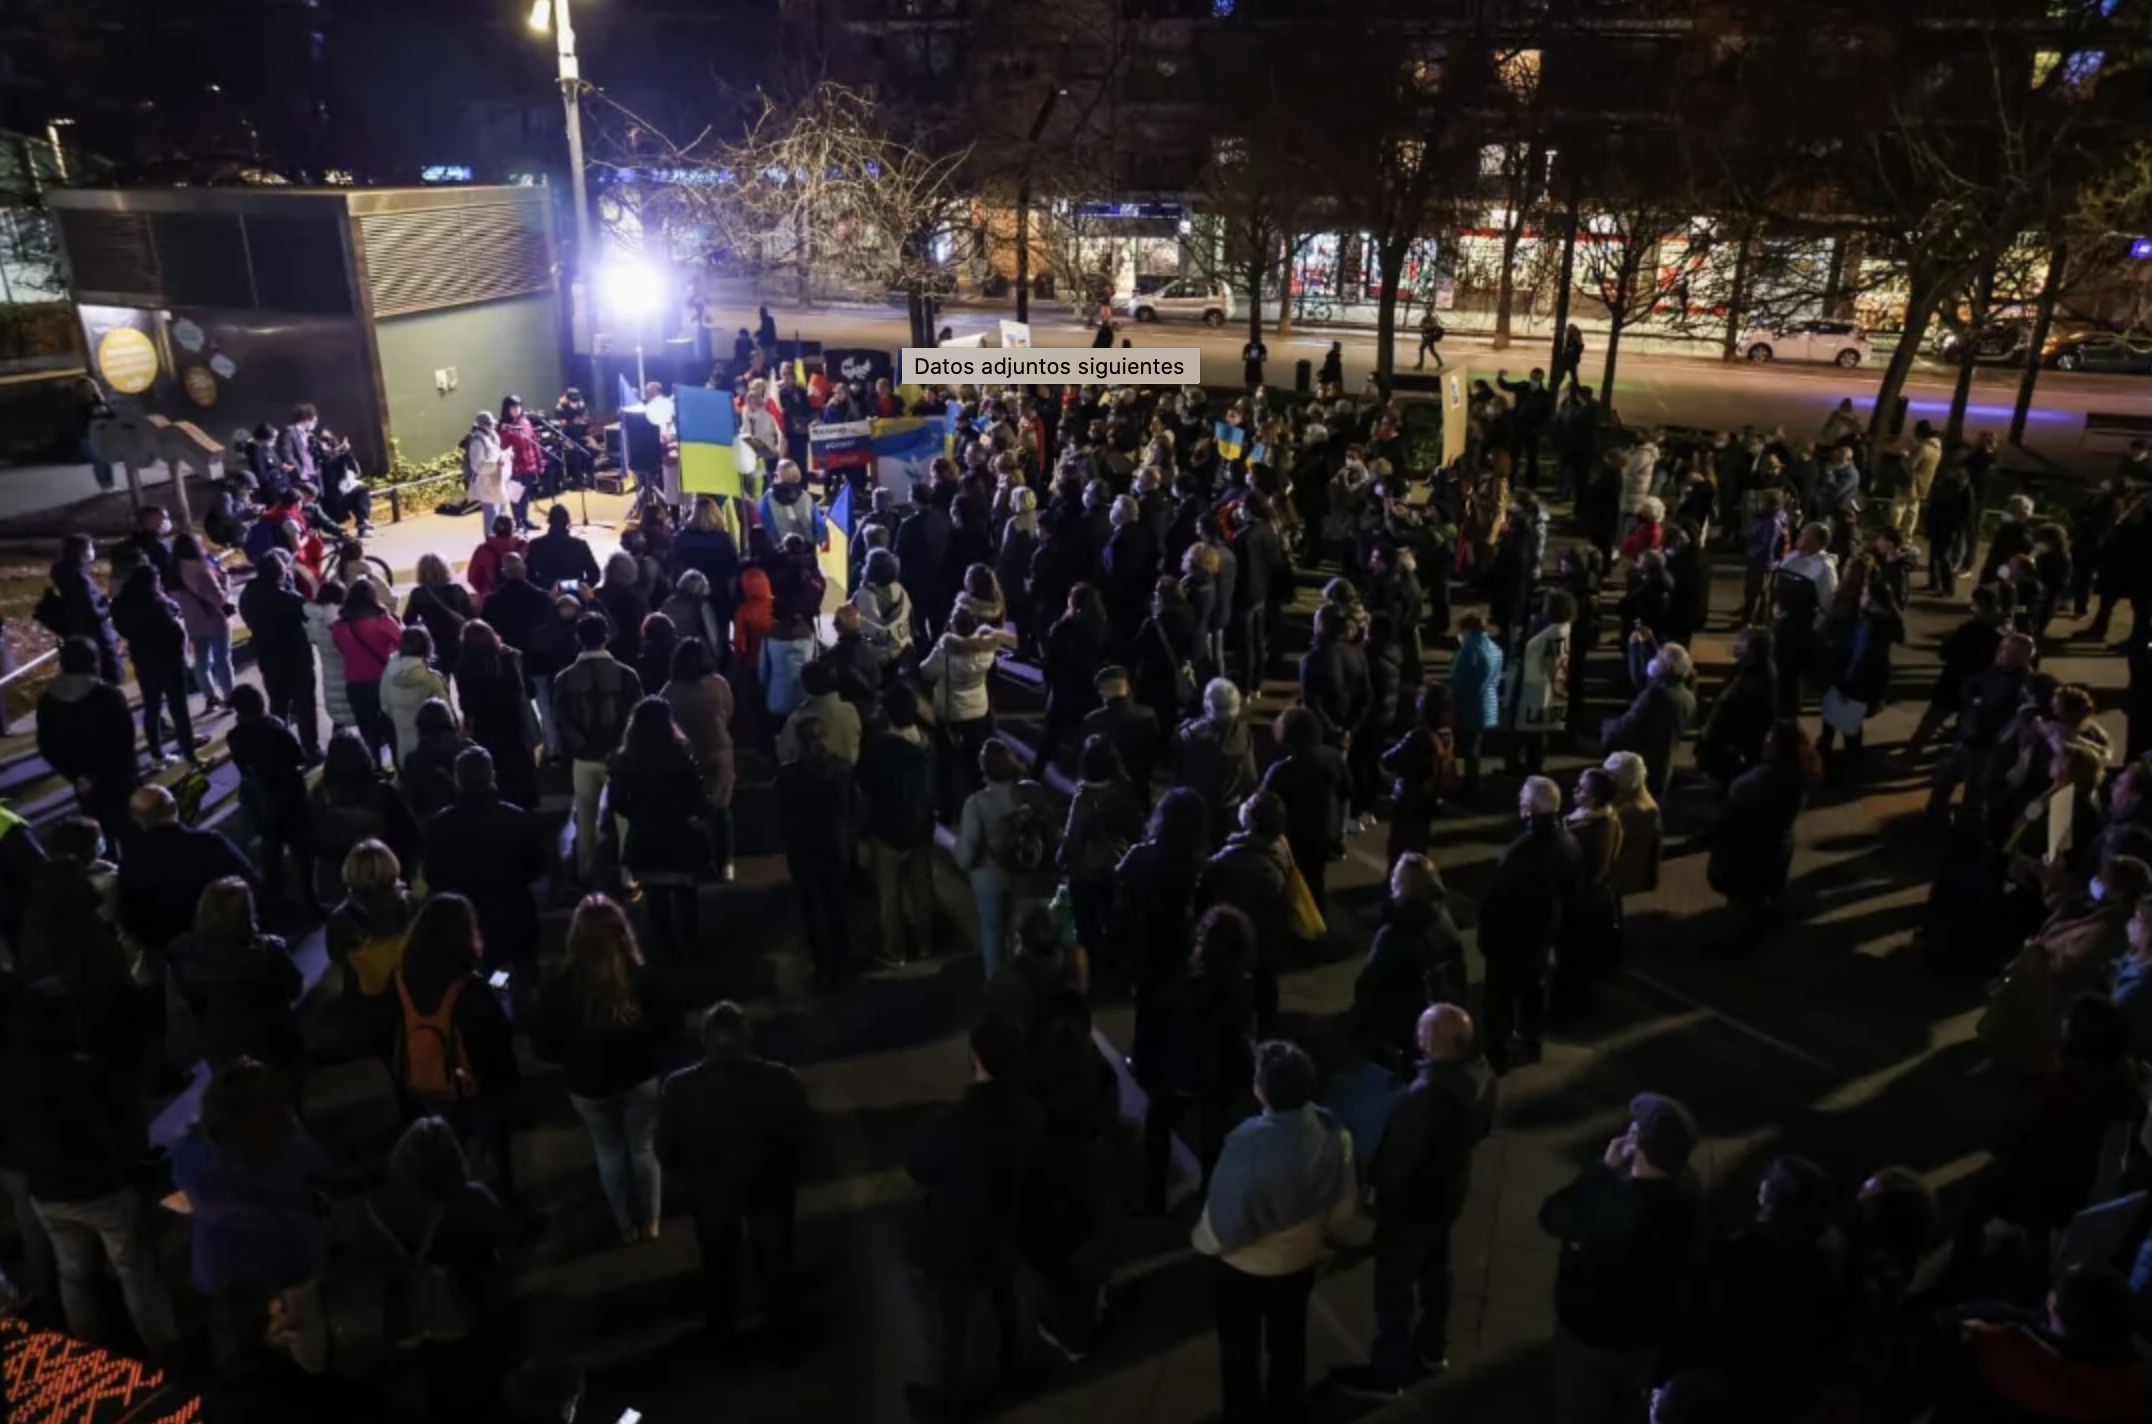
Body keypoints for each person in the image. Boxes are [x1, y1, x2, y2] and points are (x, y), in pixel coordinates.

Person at [5, 979, 180, 1355]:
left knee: (74, 1273)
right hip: (103, 1189)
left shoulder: (10, 1077)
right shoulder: (84, 1074)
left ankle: (89, 1344)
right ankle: (162, 1345)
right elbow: (117, 1129)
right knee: (133, 1269)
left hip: (46, 1191)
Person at [1334, 1006, 1496, 1399]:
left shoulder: (1425, 1097)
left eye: (1423, 1032)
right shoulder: (1481, 1076)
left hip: (1410, 1206)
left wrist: (1374, 1192)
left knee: (1394, 1288)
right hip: (1447, 1194)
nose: (1417, 1037)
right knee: (1436, 1271)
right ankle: (1431, 1348)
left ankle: (1389, 1372)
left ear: (1432, 1042)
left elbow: (1397, 1162)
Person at [1195, 1039, 1357, 1424]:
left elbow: (1221, 1219)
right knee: (1289, 1340)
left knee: (1239, 1349)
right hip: (1300, 1260)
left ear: (1260, 1090)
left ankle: (1243, 1413)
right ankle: (1287, 1407)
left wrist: (1208, 1244)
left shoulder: (1246, 1143)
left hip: (1244, 1268)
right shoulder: (1334, 1132)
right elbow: (1344, 1207)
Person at [905, 1016, 1046, 1424]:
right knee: (1005, 1300)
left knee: (953, 1326)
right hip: (1006, 1231)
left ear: (976, 1059)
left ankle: (951, 1400)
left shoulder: (954, 1123)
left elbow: (918, 1167)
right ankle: (1013, 1366)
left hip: (956, 1238)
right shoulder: (1030, 1112)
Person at [1540, 1093, 1705, 1424]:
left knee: (1580, 1408)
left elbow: (1553, 1215)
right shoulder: (1688, 1191)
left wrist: (1603, 1170)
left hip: (1592, 1336)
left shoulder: (1616, 1204)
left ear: (1637, 1143)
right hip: (1645, 1338)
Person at [659, 1002, 814, 1346]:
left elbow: (667, 1146)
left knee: (718, 1267)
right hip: (769, 1186)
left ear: (704, 1040)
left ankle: (724, 1336)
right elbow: (803, 1132)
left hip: (711, 1192)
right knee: (775, 1264)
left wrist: (686, 1182)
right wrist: (792, 1172)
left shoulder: (680, 1087)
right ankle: (782, 1336)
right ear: (748, 1037)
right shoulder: (781, 1079)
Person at [167, 1057, 330, 1372]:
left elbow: (194, 1201)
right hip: (290, 1257)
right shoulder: (288, 1134)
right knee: (303, 1344)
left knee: (243, 1352)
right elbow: (318, 1167)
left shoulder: (190, 1152)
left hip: (226, 1268)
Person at [531, 895, 673, 1245]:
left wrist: (570, 1057)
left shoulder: (559, 987)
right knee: (643, 1148)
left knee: (609, 1151)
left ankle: (625, 1224)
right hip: (640, 1077)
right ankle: (652, 1221)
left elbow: (542, 1044)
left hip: (588, 1084)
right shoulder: (644, 978)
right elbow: (670, 1026)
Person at [386, 896, 521, 1200]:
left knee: (449, 1145)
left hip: (426, 1080)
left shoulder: (401, 978)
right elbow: (498, 1036)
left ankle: (452, 1201)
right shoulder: (471, 988)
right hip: (477, 1086)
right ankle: (499, 1209)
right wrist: (503, 1000)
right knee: (490, 1152)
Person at [1479, 776, 1582, 1071]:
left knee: (1499, 997)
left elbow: (1496, 901)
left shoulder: (1519, 852)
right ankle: (1531, 1042)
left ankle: (1497, 1052)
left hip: (1510, 938)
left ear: (1527, 808)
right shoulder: (1569, 841)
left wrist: (1488, 937)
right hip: (1544, 932)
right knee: (1533, 991)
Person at [421, 747, 548, 977]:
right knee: (522, 979)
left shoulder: (439, 825)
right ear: (492, 775)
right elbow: (537, 866)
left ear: (458, 778)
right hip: (514, 916)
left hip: (462, 922)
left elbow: (433, 876)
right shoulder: (517, 818)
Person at [608, 699, 714, 960]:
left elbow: (617, 802)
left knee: (655, 900)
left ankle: (664, 950)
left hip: (645, 838)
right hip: (679, 837)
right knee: (686, 897)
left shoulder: (626, 760)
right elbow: (697, 800)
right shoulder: (680, 755)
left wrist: (638, 814)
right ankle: (691, 949)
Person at [554, 613, 644, 883]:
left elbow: (562, 721)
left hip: (583, 758)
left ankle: (585, 876)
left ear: (577, 638)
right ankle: (629, 878)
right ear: (606, 637)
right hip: (620, 756)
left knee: (584, 819)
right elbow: (635, 718)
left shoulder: (564, 678)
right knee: (626, 820)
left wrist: (582, 745)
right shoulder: (627, 675)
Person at [1353, 853, 1466, 1066]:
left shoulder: (1394, 935)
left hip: (1404, 1027)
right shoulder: (1444, 922)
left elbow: (1367, 988)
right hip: (1439, 1017)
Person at [1709, 721, 1820, 934]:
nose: (1765, 742)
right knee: (1766, 890)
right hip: (1779, 846)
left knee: (1743, 904)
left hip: (1745, 853)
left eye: (1770, 739)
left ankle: (1743, 936)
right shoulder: (1798, 775)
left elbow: (1728, 817)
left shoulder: (1750, 784)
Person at [955, 739, 1055, 976]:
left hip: (988, 878)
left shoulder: (977, 803)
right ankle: (1021, 981)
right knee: (1018, 932)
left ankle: (998, 988)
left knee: (992, 934)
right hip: (1023, 875)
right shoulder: (1031, 793)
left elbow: (966, 855)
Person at [858, 685, 940, 969]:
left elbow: (866, 786)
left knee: (889, 895)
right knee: (921, 890)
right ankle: (927, 945)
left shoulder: (879, 749)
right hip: (920, 829)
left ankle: (896, 951)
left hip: (886, 831)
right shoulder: (927, 747)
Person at [776, 716, 862, 984]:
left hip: (803, 849)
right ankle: (842, 962)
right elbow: (854, 808)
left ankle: (821, 964)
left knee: (812, 908)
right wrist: (848, 836)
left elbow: (782, 815)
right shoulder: (842, 769)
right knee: (837, 905)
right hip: (834, 845)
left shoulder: (789, 775)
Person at [36, 637, 139, 842]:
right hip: (118, 777)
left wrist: (77, 775)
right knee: (129, 830)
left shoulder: (49, 699)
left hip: (84, 782)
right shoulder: (108, 695)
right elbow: (124, 740)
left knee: (96, 829)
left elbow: (47, 744)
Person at [111, 562, 202, 766]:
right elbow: (175, 633)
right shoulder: (156, 604)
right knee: (179, 709)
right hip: (168, 662)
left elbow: (123, 630)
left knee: (151, 707)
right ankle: (190, 754)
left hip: (143, 662)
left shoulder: (121, 604)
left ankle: (157, 754)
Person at [1261, 705, 1351, 912]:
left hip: (1295, 839)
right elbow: (1347, 791)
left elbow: (1263, 801)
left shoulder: (1282, 770)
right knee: (1316, 881)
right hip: (1324, 833)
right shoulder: (1332, 757)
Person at [239, 549, 321, 761]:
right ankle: (310, 750)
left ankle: (279, 747)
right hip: (296, 661)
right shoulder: (289, 599)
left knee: (278, 705)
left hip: (268, 658)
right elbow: (312, 616)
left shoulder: (248, 595)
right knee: (305, 707)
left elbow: (248, 620)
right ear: (280, 574)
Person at [454, 620, 540, 813]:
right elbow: (529, 690)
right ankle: (525, 809)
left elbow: (466, 703)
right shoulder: (511, 657)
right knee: (520, 769)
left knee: (496, 769)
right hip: (513, 723)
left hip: (485, 726)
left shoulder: (465, 665)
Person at [1602, 642, 1696, 803]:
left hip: (1640, 764)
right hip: (1663, 764)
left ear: (1667, 667)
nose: (1654, 660)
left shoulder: (1656, 696)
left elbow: (1626, 728)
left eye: (1659, 658)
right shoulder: (1687, 696)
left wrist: (1607, 729)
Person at [1171, 676, 1260, 844]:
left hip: (1196, 807)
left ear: (1207, 705)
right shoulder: (1244, 734)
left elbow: (1179, 776)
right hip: (1229, 808)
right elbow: (1250, 777)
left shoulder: (1189, 736)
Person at [332, 577, 404, 763]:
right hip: (383, 681)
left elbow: (342, 650)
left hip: (355, 685)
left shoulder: (339, 626)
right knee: (391, 728)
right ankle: (398, 765)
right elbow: (403, 643)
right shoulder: (382, 621)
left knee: (367, 728)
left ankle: (376, 765)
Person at [40, 532, 121, 683]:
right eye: (90, 548)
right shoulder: (80, 579)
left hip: (76, 629)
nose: (93, 551)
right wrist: (109, 606)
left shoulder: (61, 570)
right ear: (82, 552)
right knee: (109, 675)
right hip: (96, 633)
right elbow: (92, 611)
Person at [170, 532, 236, 713]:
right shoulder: (203, 572)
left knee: (202, 663)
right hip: (214, 621)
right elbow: (219, 599)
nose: (205, 549)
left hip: (193, 622)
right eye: (202, 545)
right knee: (222, 660)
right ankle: (230, 697)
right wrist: (226, 580)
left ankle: (210, 697)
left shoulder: (175, 569)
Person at [380, 625, 452, 770]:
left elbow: (384, 704)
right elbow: (447, 715)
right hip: (431, 754)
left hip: (403, 748)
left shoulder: (389, 671)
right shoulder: (430, 679)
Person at [527, 503, 603, 591]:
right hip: (574, 595)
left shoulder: (536, 545)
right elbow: (594, 575)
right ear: (568, 521)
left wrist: (545, 589)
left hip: (546, 596)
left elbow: (528, 575)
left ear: (549, 521)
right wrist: (578, 588)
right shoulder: (580, 545)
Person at [467, 516, 527, 605]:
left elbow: (472, 576)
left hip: (490, 597)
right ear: (513, 529)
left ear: (494, 529)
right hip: (521, 596)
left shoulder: (483, 549)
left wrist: (484, 591)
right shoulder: (523, 546)